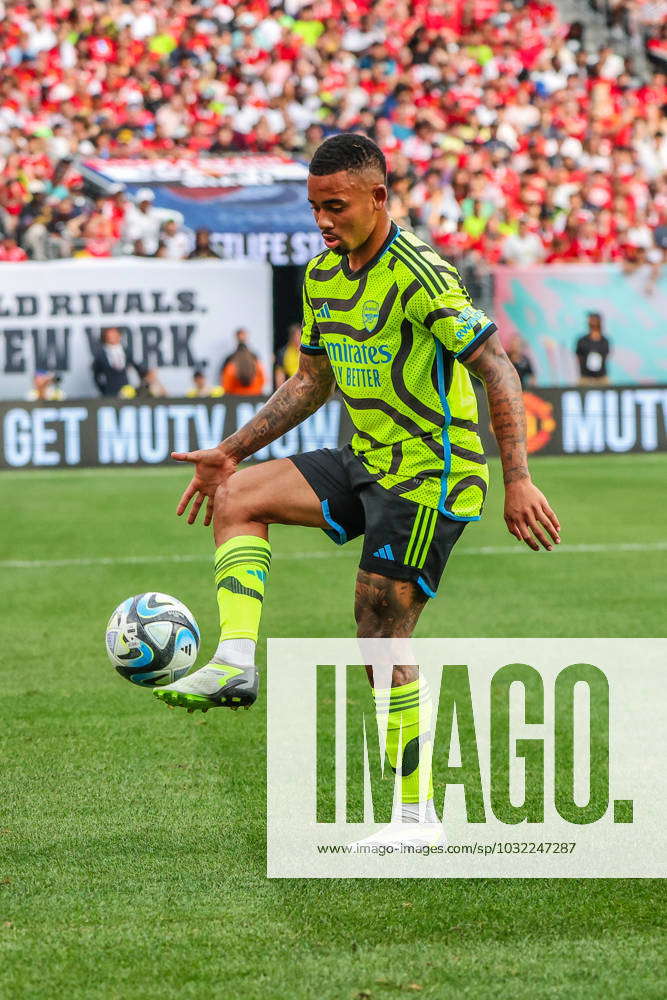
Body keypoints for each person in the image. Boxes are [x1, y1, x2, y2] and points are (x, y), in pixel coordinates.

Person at [154, 135, 559, 847]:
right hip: (366, 456)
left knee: (377, 628)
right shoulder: (322, 278)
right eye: (314, 208)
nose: (322, 221)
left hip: (432, 474)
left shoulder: (420, 275)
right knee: (239, 497)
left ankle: (415, 817)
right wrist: (228, 451)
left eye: (334, 206)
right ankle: (235, 665)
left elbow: (495, 365)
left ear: (378, 197)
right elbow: (313, 381)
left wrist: (517, 478)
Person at [91, 327, 147, 396]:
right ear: (105, 337)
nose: (112, 337)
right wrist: (103, 390)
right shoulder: (100, 355)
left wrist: (143, 383)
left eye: (115, 334)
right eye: (110, 335)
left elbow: (139, 369)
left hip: (126, 390)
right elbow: (97, 375)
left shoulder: (125, 352)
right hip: (110, 392)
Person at [575, 313, 611, 386]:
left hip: (601, 377)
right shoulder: (582, 340)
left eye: (595, 320)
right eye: (591, 320)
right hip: (586, 377)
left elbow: (606, 356)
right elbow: (578, 357)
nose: (593, 322)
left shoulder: (604, 341)